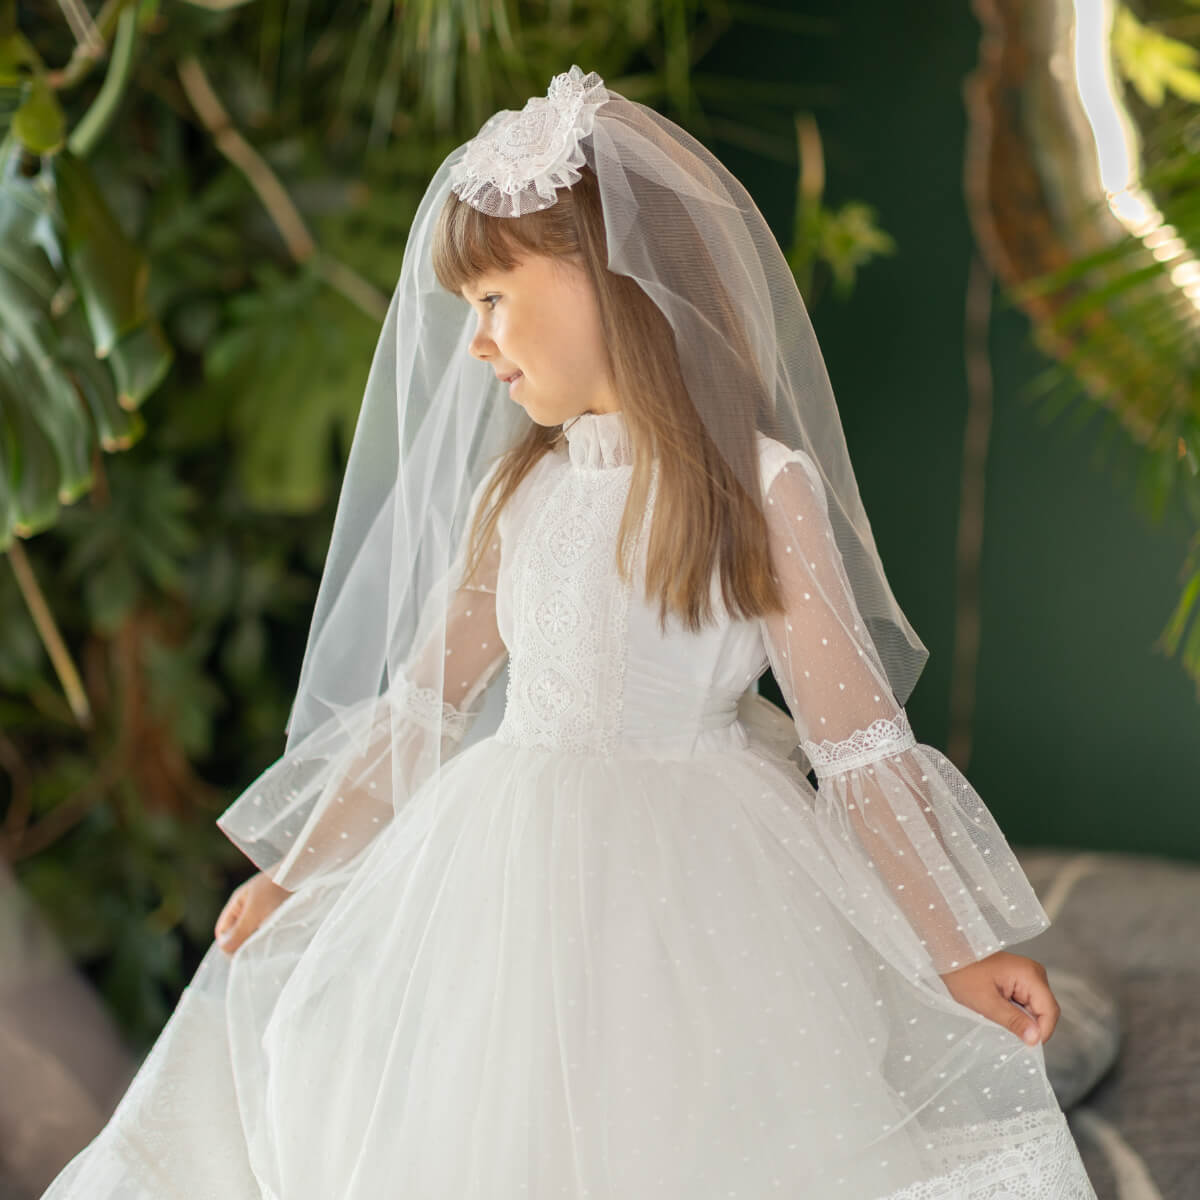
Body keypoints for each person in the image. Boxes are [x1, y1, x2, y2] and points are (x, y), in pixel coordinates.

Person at [40, 66, 1098, 1198]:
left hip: (702, 901)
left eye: (494, 298)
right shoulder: (524, 494)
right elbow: (423, 707)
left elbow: (859, 748)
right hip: (499, 893)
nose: (478, 343)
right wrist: (297, 876)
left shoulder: (758, 488)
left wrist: (958, 947)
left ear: (606, 272)